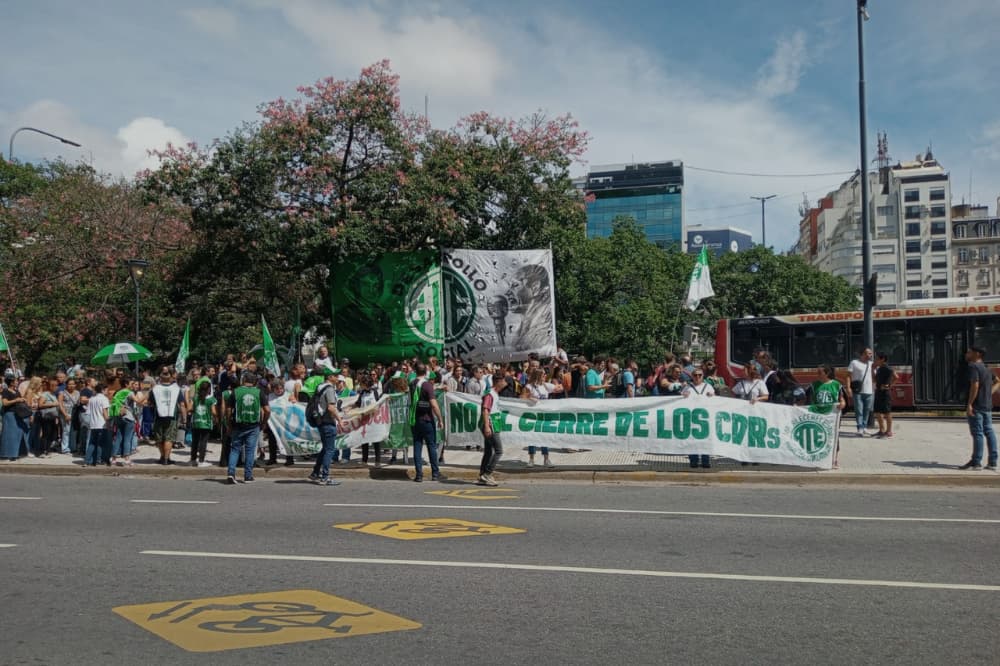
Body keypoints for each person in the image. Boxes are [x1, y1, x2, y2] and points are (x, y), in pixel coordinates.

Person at [226, 372, 269, 484]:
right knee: (250, 450)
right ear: (254, 381)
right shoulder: (259, 392)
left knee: (235, 449)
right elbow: (267, 410)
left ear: (243, 380)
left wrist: (229, 424)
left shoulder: (236, 391)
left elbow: (228, 410)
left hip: (238, 424)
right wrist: (264, 423)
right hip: (253, 425)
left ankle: (231, 473)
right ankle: (248, 476)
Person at [961, 346, 998, 471]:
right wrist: (988, 394)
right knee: (989, 431)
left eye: (969, 352)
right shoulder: (985, 368)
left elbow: (975, 385)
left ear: (977, 354)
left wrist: (970, 404)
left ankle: (976, 462)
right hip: (987, 405)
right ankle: (993, 462)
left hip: (977, 406)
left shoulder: (973, 367)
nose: (967, 354)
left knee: (977, 433)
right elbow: (998, 381)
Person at [309, 367, 346, 486]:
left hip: (321, 422)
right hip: (328, 422)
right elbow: (331, 407)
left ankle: (315, 472)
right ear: (330, 377)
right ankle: (325, 477)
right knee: (330, 450)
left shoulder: (320, 387)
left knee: (325, 448)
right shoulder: (329, 389)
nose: (337, 377)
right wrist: (339, 420)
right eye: (335, 375)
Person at [409, 362, 444, 482]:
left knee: (417, 446)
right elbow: (434, 404)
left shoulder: (412, 384)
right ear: (426, 372)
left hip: (415, 419)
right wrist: (440, 419)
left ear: (415, 371)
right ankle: (435, 473)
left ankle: (419, 475)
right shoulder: (427, 385)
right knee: (431, 446)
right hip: (427, 419)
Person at [809, 364, 846, 469]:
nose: (818, 374)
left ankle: (834, 459)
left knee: (833, 436)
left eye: (820, 372)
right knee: (818, 436)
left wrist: (842, 403)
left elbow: (842, 399)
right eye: (817, 372)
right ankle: (820, 457)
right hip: (818, 415)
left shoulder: (836, 385)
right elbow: (809, 400)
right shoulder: (814, 385)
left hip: (832, 415)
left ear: (827, 373)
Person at [681, 368, 715, 469]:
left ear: (702, 376)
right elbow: (680, 400)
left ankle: (705, 461)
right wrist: (684, 396)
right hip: (691, 417)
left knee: (706, 439)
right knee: (692, 439)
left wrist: (712, 395)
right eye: (695, 375)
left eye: (699, 375)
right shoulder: (688, 387)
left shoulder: (708, 386)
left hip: (705, 418)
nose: (697, 377)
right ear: (692, 376)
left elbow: (715, 399)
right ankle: (693, 460)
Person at [479, 372, 507, 486]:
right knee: (499, 451)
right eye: (504, 381)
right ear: (498, 382)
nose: (505, 383)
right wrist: (486, 426)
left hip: (493, 424)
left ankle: (482, 475)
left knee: (488, 451)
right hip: (490, 425)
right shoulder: (490, 394)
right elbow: (485, 410)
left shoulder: (494, 393)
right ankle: (487, 474)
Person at [524, 368, 556, 467]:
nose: (545, 376)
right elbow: (522, 397)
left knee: (544, 437)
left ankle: (546, 459)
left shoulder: (545, 386)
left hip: (543, 415)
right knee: (532, 437)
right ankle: (531, 459)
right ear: (538, 376)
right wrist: (530, 398)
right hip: (532, 415)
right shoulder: (529, 386)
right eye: (543, 375)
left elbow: (559, 388)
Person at [150, 368, 181, 465]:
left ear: (160, 377)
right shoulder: (176, 389)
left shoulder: (155, 389)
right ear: (170, 377)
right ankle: (166, 459)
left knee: (159, 438)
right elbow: (182, 403)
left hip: (158, 416)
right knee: (169, 438)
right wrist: (184, 416)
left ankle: (163, 457)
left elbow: (150, 403)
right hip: (172, 416)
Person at [188, 377, 217, 467]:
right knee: (203, 442)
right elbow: (213, 412)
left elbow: (189, 408)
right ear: (209, 389)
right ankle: (201, 461)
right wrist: (216, 417)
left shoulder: (195, 398)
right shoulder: (211, 399)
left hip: (196, 422)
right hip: (206, 423)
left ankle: (193, 460)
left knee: (195, 442)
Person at [846, 347, 874, 437]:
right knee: (859, 410)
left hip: (869, 391)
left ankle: (864, 427)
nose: (870, 355)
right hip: (858, 391)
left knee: (867, 410)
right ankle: (860, 428)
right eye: (868, 353)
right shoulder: (854, 363)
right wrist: (848, 388)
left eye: (871, 353)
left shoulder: (872, 364)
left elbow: (874, 377)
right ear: (862, 354)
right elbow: (848, 376)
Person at [1, 375, 30, 460]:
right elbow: (5, 403)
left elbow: (20, 400)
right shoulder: (5, 391)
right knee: (9, 435)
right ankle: (7, 454)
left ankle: (16, 453)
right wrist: (16, 400)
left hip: (18, 414)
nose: (17, 382)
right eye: (16, 381)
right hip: (9, 415)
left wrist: (23, 400)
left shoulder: (17, 391)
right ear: (11, 382)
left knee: (18, 434)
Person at [83, 383, 111, 467]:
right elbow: (105, 412)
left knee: (92, 443)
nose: (107, 391)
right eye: (106, 390)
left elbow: (88, 412)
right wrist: (108, 423)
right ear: (102, 390)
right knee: (100, 443)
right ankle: (99, 460)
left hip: (93, 424)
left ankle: (87, 460)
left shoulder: (91, 399)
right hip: (101, 424)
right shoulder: (104, 399)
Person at [873, 352, 896, 438]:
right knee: (878, 411)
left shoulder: (888, 368)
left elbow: (896, 377)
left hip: (885, 393)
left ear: (882, 359)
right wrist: (872, 369)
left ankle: (889, 431)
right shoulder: (879, 368)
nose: (875, 360)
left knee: (887, 412)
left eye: (877, 358)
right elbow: (874, 380)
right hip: (878, 391)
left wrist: (889, 385)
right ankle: (881, 430)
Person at [58, 378, 80, 455]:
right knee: (66, 430)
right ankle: (64, 448)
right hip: (65, 413)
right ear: (66, 385)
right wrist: (65, 414)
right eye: (69, 384)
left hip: (74, 414)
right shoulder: (62, 392)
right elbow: (60, 404)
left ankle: (73, 447)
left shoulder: (77, 393)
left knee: (73, 431)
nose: (71, 386)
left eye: (73, 384)